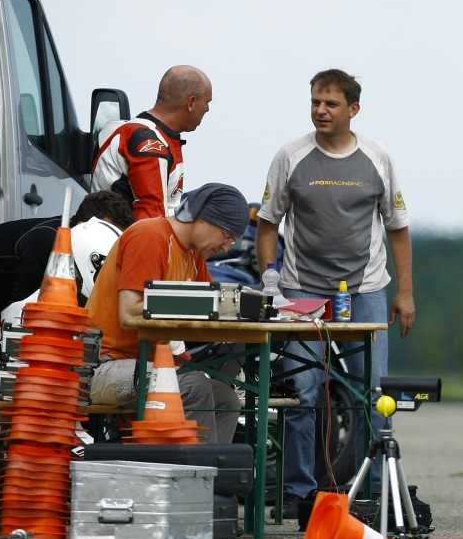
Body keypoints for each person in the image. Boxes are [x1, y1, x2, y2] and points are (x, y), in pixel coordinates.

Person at [256, 68, 415, 516]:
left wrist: (405, 293)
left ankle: (375, 488)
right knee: (301, 391)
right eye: (314, 103)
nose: (320, 111)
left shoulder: (378, 157)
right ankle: (297, 490)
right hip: (300, 289)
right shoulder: (291, 155)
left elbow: (398, 229)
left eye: (330, 104)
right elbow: (267, 223)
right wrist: (270, 280)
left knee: (374, 392)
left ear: (353, 109)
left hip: (364, 289)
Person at [86, 183, 249, 444]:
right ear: (205, 218)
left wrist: (249, 302)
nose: (227, 247)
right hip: (104, 364)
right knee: (194, 387)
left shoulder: (193, 255)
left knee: (225, 399)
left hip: (148, 364)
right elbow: (128, 313)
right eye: (227, 236)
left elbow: (214, 305)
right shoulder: (150, 235)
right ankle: (195, 479)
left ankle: (214, 480)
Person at [0, 191, 134, 399]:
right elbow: (20, 316)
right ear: (86, 224)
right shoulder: (45, 240)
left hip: (3, 290)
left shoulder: (72, 247)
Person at [91, 65, 213, 220]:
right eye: (207, 102)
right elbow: (150, 222)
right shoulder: (151, 144)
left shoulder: (125, 129)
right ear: (191, 102)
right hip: (120, 240)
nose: (208, 109)